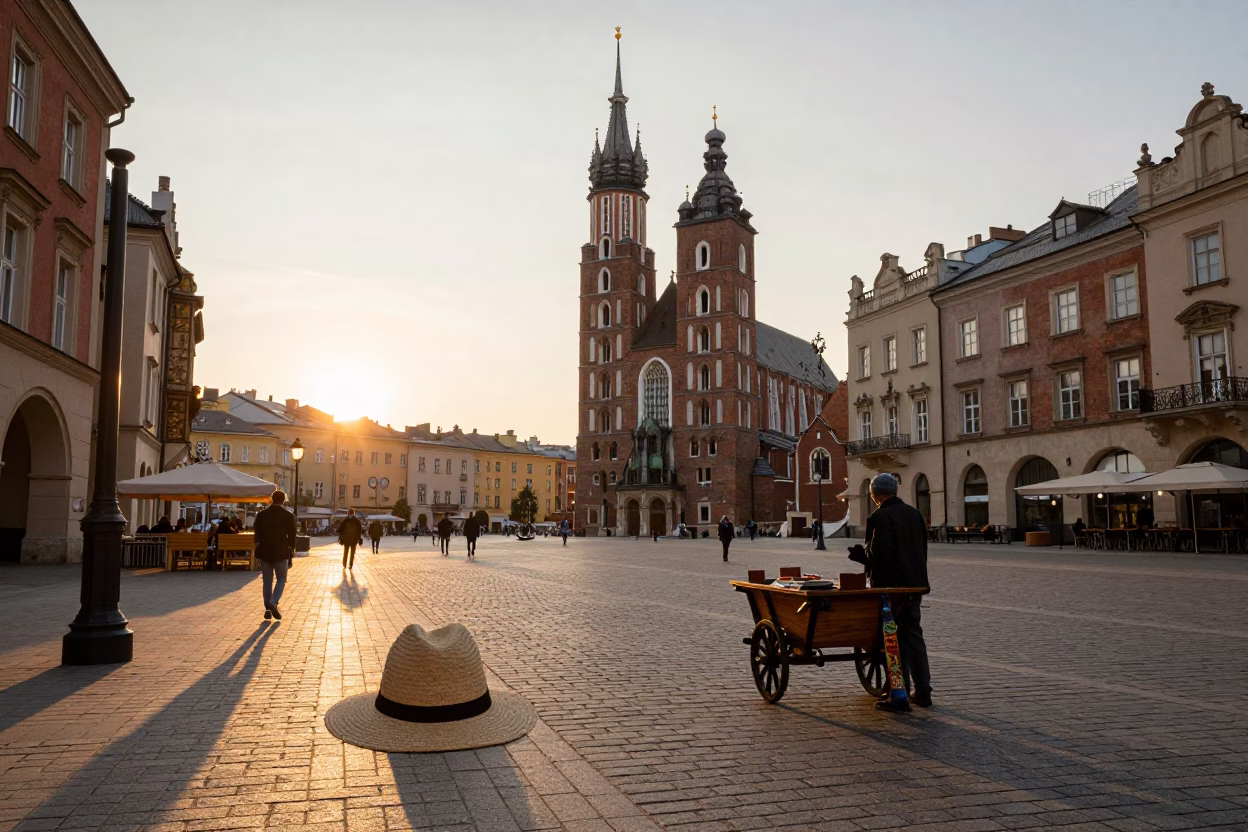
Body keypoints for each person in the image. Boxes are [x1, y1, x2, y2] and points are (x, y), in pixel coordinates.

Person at [859, 473, 932, 712]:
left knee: (893, 641)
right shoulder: (915, 514)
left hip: (891, 590)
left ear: (874, 495)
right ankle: (922, 691)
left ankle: (898, 694)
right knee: (915, 638)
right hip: (915, 586)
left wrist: (864, 558)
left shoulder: (879, 516)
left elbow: (882, 555)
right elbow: (921, 551)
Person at [253, 489, 297, 620]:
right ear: (283, 500)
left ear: (272, 499)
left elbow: (257, 531)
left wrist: (258, 543)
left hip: (264, 550)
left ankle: (267, 608)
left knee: (267, 580)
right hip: (280, 551)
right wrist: (291, 548)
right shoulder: (288, 515)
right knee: (281, 579)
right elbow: (292, 534)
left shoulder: (261, 514)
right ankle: (273, 602)